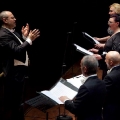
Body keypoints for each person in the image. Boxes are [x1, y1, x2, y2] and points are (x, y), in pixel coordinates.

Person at [0, 10, 40, 120]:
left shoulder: (12, 32)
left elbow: (20, 47)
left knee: (19, 101)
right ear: (5, 20)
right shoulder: (3, 34)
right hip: (13, 74)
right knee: (15, 103)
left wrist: (24, 37)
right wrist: (29, 40)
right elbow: (17, 51)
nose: (15, 19)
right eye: (12, 17)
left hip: (19, 72)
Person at [59, 55, 106, 120]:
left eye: (81, 66)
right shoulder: (102, 83)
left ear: (85, 69)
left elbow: (75, 109)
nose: (80, 67)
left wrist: (66, 100)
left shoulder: (85, 87)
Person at [90, 14, 120, 78]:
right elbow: (109, 49)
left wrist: (101, 56)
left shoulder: (118, 37)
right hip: (107, 63)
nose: (108, 23)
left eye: (111, 22)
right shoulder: (114, 34)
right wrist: (98, 51)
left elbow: (115, 53)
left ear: (117, 23)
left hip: (111, 66)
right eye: (108, 21)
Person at [102, 51, 120, 120]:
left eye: (105, 59)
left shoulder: (110, 77)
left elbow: (103, 94)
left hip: (112, 111)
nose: (104, 61)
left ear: (111, 62)